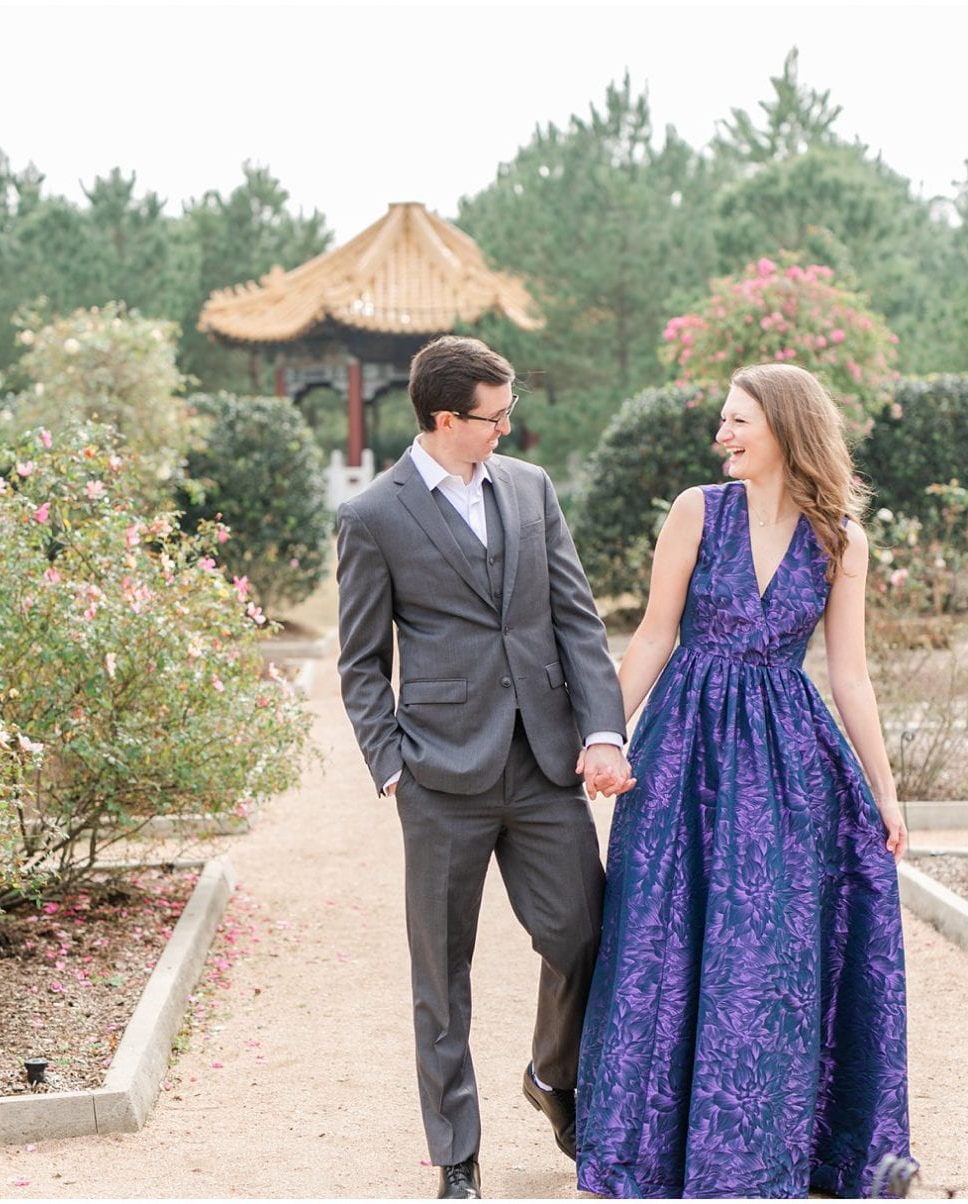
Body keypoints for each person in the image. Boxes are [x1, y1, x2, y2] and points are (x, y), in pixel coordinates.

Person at [574, 363, 915, 1199]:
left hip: (790, 765)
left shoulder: (841, 537)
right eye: (724, 421)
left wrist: (886, 792)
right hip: (684, 749)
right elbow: (653, 636)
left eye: (737, 422)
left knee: (767, 959)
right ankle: (643, 1153)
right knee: (662, 938)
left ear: (786, 430)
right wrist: (602, 739)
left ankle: (754, 1156)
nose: (721, 435)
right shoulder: (698, 511)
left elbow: (852, 677)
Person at [335, 335, 635, 1200]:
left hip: (542, 766)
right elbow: (361, 662)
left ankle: (553, 1078)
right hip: (437, 777)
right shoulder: (372, 516)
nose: (509, 428)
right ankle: (456, 1153)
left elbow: (576, 621)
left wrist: (602, 730)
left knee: (584, 936)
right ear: (444, 419)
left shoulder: (532, 490)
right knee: (443, 971)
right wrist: (390, 764)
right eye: (495, 417)